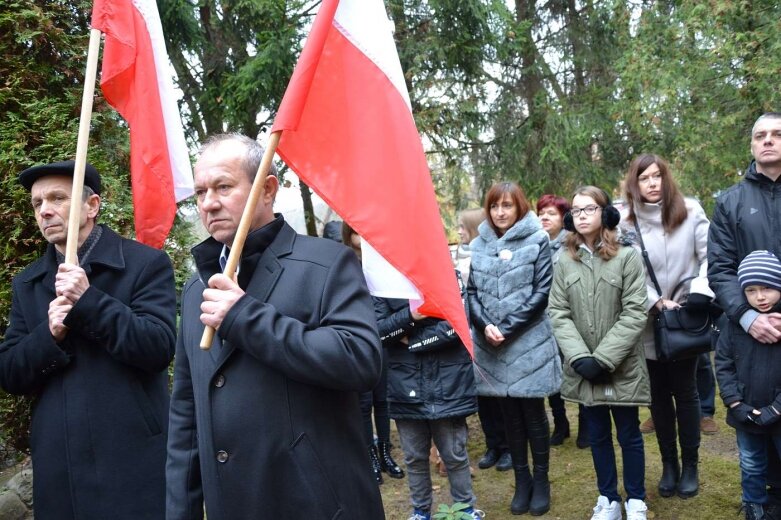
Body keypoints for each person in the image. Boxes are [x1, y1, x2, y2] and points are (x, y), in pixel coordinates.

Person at [166, 134, 385, 519]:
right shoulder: (196, 288)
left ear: (267, 190)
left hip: (314, 503)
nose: (208, 203)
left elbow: (359, 359)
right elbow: (186, 414)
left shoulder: (327, 263)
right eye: (200, 192)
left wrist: (243, 316)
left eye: (223, 187)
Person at [0, 160, 177, 519]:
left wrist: (89, 302)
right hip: (59, 466)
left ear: (92, 206)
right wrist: (48, 335)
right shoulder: (29, 283)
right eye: (37, 203)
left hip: (132, 459)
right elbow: (10, 373)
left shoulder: (145, 264)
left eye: (57, 198)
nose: (45, 210)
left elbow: (157, 347)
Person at [548, 186, 650, 520]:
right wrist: (580, 358)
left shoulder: (627, 256)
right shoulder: (565, 260)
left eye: (588, 209)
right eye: (575, 211)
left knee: (629, 434)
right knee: (597, 434)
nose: (581, 216)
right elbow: (558, 313)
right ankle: (608, 498)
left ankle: (635, 499)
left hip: (620, 366)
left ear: (605, 214)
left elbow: (635, 311)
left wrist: (604, 358)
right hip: (583, 369)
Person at [618, 154, 715, 499]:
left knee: (686, 393)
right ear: (635, 183)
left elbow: (710, 256)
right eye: (644, 178)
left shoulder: (690, 210)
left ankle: (690, 465)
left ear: (666, 178)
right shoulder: (625, 222)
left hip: (685, 318)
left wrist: (698, 294)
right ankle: (669, 464)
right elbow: (623, 269)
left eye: (657, 176)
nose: (652, 183)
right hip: (646, 320)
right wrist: (653, 301)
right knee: (657, 395)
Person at [468, 181, 561, 516]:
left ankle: (541, 480)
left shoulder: (538, 240)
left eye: (507, 205)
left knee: (533, 415)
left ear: (520, 206)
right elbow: (472, 293)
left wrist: (507, 328)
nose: (500, 212)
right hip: (491, 344)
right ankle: (521, 481)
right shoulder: (478, 245)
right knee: (509, 416)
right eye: (494, 206)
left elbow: (541, 293)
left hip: (528, 341)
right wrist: (484, 325)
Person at [709, 112, 781, 518]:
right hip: (744, 332)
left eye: (776, 134)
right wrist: (746, 316)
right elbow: (719, 268)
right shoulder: (731, 201)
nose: (768, 141)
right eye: (760, 135)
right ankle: (758, 504)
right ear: (752, 145)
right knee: (755, 445)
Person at [376, 274, 483, 520]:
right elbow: (379, 331)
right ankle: (421, 512)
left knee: (454, 454)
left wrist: (409, 341)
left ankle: (465, 510)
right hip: (405, 384)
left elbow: (456, 326)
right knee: (414, 457)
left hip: (449, 381)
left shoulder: (445, 272)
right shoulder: (383, 281)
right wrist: (412, 316)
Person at [715, 250, 781, 520]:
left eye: (767, 288)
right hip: (746, 413)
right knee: (751, 464)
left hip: (778, 412)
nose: (760, 297)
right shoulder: (734, 323)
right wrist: (734, 402)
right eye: (751, 290)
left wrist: (776, 409)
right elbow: (723, 363)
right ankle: (754, 506)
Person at [341, 222, 405, 485]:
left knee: (383, 401)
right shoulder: (344, 262)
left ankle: (385, 454)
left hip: (382, 341)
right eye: (355, 231)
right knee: (363, 403)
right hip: (356, 342)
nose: (362, 236)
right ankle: (370, 457)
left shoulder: (381, 261)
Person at [456, 208, 511, 473]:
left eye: (461, 227)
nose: (457, 232)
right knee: (483, 395)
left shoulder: (488, 254)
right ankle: (494, 444)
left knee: (500, 394)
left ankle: (510, 446)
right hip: (469, 332)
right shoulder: (459, 255)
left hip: (491, 329)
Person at [537, 193, 590, 449]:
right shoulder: (536, 245)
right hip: (543, 321)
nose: (545, 217)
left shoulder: (572, 245)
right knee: (551, 374)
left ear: (564, 217)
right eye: (541, 213)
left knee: (577, 368)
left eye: (551, 213)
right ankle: (560, 423)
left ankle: (585, 424)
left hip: (570, 319)